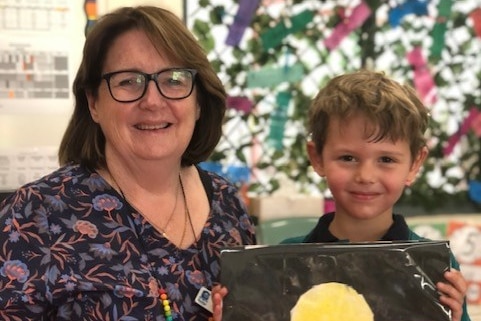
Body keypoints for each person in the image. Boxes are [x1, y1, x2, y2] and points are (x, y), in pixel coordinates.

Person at [0, 6, 255, 321]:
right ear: (94, 103)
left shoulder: (228, 206)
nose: (152, 100)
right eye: (128, 81)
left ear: (199, 101)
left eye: (174, 79)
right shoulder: (34, 217)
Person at [281, 69, 471, 321]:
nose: (366, 175)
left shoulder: (433, 267)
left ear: (415, 163)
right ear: (317, 157)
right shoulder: (285, 262)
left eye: (386, 159)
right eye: (347, 158)